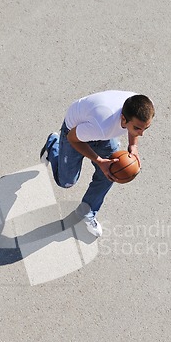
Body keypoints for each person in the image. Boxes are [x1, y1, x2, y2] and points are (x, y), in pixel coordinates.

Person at [40, 90, 155, 237]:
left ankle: (86, 211)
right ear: (123, 119)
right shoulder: (103, 126)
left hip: (98, 129)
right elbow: (72, 138)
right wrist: (100, 161)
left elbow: (137, 127)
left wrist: (133, 146)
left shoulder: (145, 106)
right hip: (75, 131)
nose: (141, 133)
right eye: (137, 129)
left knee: (112, 172)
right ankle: (53, 145)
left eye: (146, 128)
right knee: (66, 182)